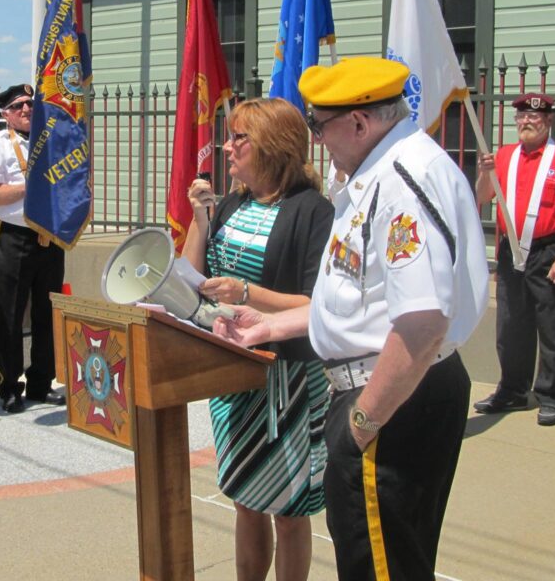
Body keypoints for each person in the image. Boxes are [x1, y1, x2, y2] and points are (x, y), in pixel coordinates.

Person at [215, 57, 489, 581]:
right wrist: (271, 326)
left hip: (388, 398)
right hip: (387, 392)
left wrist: (363, 422)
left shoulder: (402, 181)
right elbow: (364, 302)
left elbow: (422, 325)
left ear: (360, 123)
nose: (316, 140)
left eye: (319, 125)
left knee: (381, 568)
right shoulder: (375, 175)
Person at [181, 97, 332, 581]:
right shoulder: (232, 203)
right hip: (234, 376)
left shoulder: (312, 211)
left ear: (271, 145)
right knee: (245, 500)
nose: (226, 148)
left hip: (286, 380)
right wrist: (201, 218)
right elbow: (192, 274)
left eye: (238, 138)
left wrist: (248, 292)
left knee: (288, 512)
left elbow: (319, 304)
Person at [474, 92, 555, 426]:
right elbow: (483, 196)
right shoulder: (505, 156)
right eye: (522, 118)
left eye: (534, 118)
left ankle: (551, 396)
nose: (526, 123)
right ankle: (512, 390)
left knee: (552, 326)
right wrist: (484, 173)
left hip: (550, 249)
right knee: (510, 325)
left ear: (548, 121)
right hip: (512, 250)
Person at [0, 84, 66, 413]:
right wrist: (31, 184)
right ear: (5, 114)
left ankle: (41, 383)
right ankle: (9, 386)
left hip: (49, 235)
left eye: (30, 103)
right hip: (15, 236)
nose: (27, 109)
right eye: (18, 106)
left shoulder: (50, 139)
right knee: (11, 314)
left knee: (46, 313)